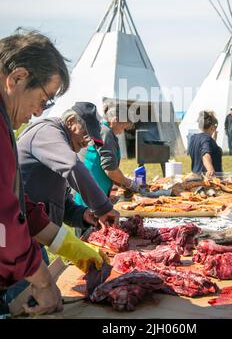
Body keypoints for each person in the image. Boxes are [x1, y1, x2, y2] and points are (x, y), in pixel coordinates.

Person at [0, 30, 109, 316]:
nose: (39, 112)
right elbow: (4, 220)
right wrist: (43, 279)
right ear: (17, 78)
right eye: (44, 99)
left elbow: (18, 204)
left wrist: (69, 244)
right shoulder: (39, 130)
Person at [17, 101, 120, 236]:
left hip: (36, 232)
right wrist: (103, 207)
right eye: (86, 134)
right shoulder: (47, 131)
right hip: (18, 230)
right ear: (71, 121)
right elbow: (73, 166)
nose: (86, 143)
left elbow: (61, 201)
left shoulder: (61, 147)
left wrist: (82, 214)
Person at [75, 102, 141, 207]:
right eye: (123, 127)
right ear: (114, 121)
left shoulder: (102, 129)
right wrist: (130, 184)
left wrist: (121, 184)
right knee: (90, 220)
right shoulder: (106, 132)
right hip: (92, 190)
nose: (122, 132)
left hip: (93, 187)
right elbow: (111, 170)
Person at [188, 111, 222, 177]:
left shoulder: (193, 138)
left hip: (196, 178)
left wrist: (213, 140)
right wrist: (210, 169)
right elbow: (205, 155)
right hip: (208, 181)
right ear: (212, 127)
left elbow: (205, 148)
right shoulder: (207, 139)